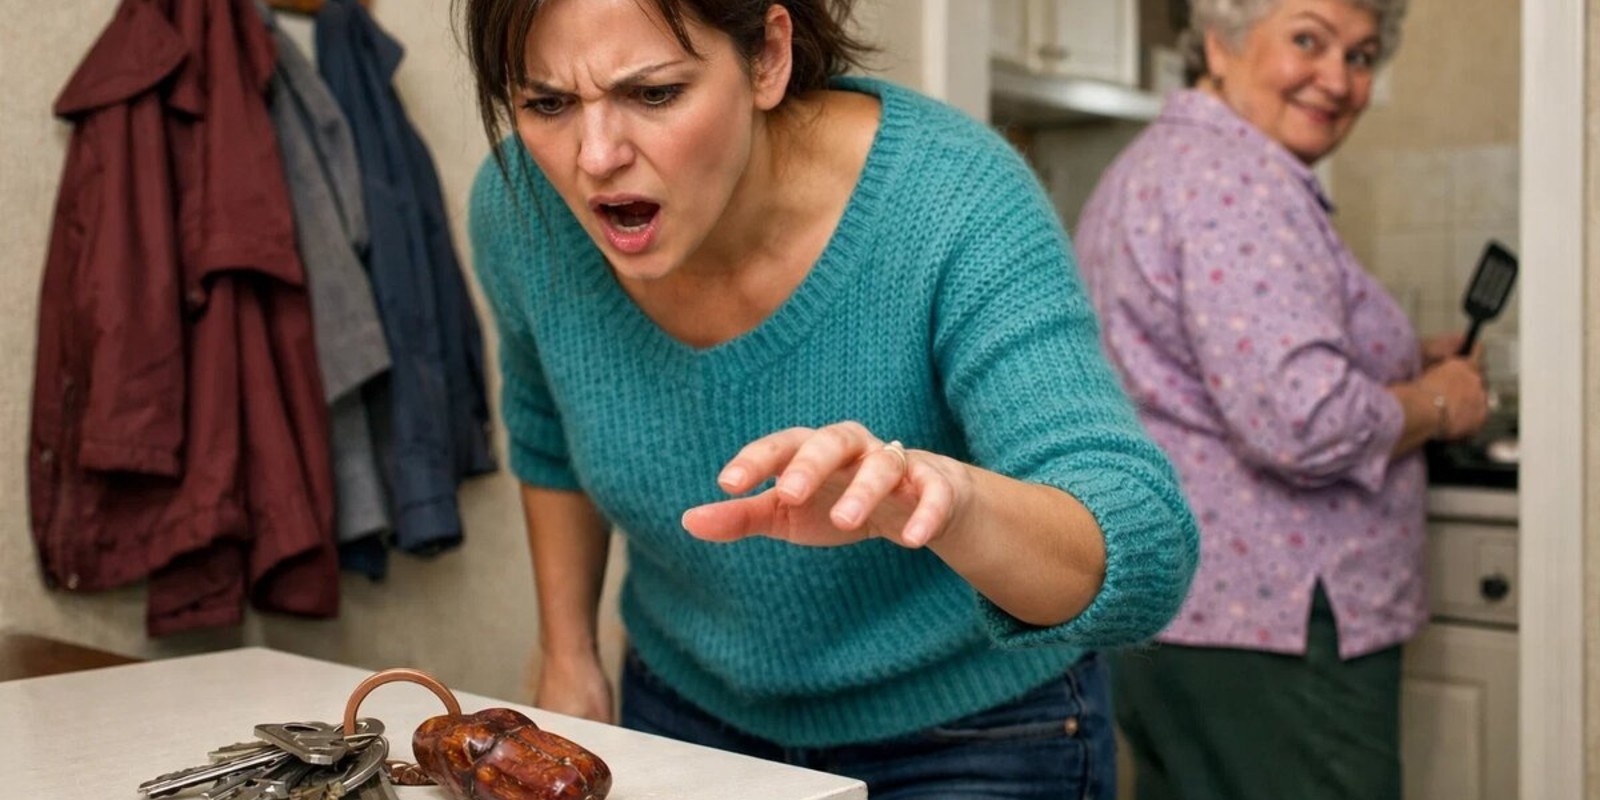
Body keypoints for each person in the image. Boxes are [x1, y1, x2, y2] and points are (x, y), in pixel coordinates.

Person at [454, 0, 1199, 796]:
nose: (596, 156)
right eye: (548, 103)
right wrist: (569, 655)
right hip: (683, 710)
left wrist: (952, 504)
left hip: (976, 736)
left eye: (655, 93)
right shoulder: (522, 211)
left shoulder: (955, 199)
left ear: (768, 58)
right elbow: (546, 433)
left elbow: (1144, 548)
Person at [1074, 1, 1491, 798]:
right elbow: (1304, 420)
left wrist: (1405, 358)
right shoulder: (1237, 183)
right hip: (1273, 621)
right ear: (1220, 44)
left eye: (1361, 56)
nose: (1338, 78)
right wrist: (1438, 403)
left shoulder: (1161, 164)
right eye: (1309, 40)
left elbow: (1223, 366)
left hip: (1188, 610)